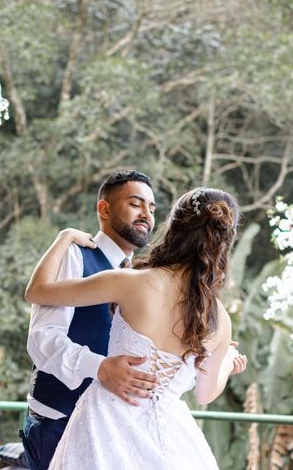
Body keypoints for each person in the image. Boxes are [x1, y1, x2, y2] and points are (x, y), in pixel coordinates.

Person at [25, 187, 248, 470]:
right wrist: (227, 362)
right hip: (171, 440)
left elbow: (38, 292)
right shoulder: (220, 320)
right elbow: (205, 394)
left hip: (106, 426)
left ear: (174, 228)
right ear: (224, 243)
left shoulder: (132, 282)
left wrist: (64, 236)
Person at [21, 170, 160, 470]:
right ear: (104, 209)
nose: (146, 214)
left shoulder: (140, 276)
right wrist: (99, 367)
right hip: (60, 423)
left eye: (151, 208)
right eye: (136, 204)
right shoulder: (75, 256)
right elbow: (42, 339)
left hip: (114, 430)